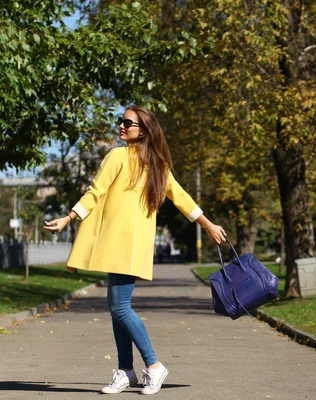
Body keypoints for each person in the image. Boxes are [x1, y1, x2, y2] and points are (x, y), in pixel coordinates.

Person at [43, 105, 226, 395]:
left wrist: (208, 224)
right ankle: (125, 371)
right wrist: (69, 217)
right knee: (116, 309)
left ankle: (153, 366)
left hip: (128, 243)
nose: (121, 126)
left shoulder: (156, 166)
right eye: (121, 121)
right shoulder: (120, 156)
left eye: (127, 122)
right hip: (119, 242)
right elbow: (96, 191)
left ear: (143, 130)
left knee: (119, 307)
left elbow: (180, 197)